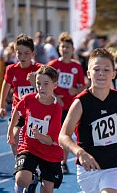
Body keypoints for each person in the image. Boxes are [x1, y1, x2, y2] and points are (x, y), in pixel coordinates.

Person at [59, 48, 117, 193]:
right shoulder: (80, 102)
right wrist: (80, 153)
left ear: (113, 74)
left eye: (106, 70)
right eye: (96, 69)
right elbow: (63, 136)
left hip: (115, 164)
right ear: (88, 73)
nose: (101, 73)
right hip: (89, 168)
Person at [7, 65, 63, 193]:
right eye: (38, 83)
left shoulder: (56, 108)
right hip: (30, 147)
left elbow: (51, 140)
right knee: (21, 180)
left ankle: (37, 179)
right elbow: (17, 110)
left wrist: (39, 136)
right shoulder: (28, 99)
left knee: (47, 190)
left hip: (50, 152)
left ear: (54, 85)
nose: (41, 87)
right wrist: (10, 130)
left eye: (46, 84)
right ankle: (31, 180)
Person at [47, 32, 86, 174]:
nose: (65, 49)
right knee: (53, 135)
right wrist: (56, 96)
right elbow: (45, 84)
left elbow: (83, 86)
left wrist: (75, 89)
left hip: (71, 107)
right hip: (54, 106)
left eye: (68, 47)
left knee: (67, 135)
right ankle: (51, 160)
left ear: (72, 49)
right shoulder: (53, 65)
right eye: (63, 46)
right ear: (59, 48)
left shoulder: (77, 66)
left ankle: (63, 162)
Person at [0, 34, 43, 156]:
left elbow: (48, 91)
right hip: (19, 109)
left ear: (33, 54)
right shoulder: (11, 69)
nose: (22, 56)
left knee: (35, 141)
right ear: (15, 52)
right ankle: (19, 162)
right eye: (19, 53)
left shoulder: (39, 69)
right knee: (14, 136)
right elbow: (5, 86)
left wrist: (35, 83)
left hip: (36, 111)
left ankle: (35, 166)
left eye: (26, 53)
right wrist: (1, 106)